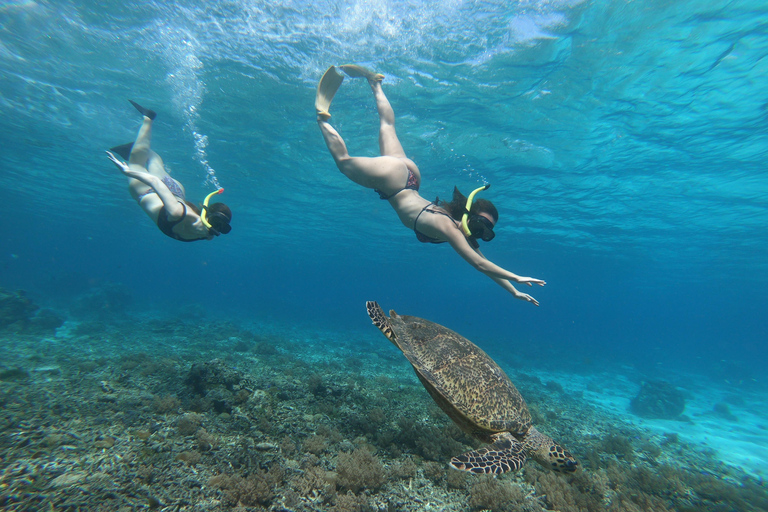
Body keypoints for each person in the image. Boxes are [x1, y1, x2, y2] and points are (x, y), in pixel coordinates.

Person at [316, 65, 545, 306]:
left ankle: (375, 83)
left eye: (485, 232)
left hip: (410, 178)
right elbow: (478, 264)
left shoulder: (455, 229)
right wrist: (517, 277)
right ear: (468, 216)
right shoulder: (446, 225)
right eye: (480, 226)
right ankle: (321, 115)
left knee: (388, 127)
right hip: (395, 183)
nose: (479, 234)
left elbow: (484, 264)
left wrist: (513, 291)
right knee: (343, 163)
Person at [105, 100, 232, 242]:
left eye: (220, 227)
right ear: (206, 214)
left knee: (154, 160)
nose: (215, 229)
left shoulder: (207, 235)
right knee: (136, 163)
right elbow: (154, 182)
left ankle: (138, 147)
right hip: (149, 192)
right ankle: (148, 119)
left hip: (175, 191)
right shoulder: (178, 213)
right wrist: (128, 172)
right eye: (216, 222)